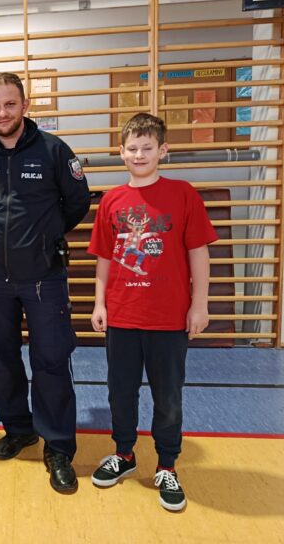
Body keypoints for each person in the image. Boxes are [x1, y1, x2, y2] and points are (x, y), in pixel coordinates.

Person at [0, 72, 91, 494]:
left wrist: (44, 237)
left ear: (25, 105)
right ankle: (19, 429)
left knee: (51, 360)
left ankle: (58, 447)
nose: (2, 113)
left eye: (9, 104)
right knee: (2, 358)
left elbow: (77, 203)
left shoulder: (54, 151)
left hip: (43, 279)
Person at [88, 112, 217, 512]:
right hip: (123, 316)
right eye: (132, 148)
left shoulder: (183, 194)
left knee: (168, 395)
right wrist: (100, 302)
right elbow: (104, 258)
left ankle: (167, 465)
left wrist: (200, 304)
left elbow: (199, 253)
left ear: (163, 150)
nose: (139, 154)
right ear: (121, 152)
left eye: (147, 147)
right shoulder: (111, 200)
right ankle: (124, 454)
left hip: (168, 318)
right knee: (120, 391)